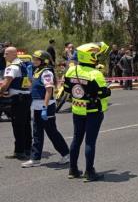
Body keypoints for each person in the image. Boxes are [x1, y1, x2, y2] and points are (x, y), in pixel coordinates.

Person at [64, 42, 111, 181]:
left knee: (76, 139)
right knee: (90, 142)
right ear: (89, 56)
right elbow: (103, 93)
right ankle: (89, 172)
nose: (96, 56)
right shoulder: (96, 74)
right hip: (93, 111)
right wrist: (107, 89)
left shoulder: (71, 70)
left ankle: (72, 170)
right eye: (95, 54)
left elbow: (67, 89)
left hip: (77, 110)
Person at [21, 51, 70, 168]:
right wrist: (29, 76)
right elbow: (34, 86)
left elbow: (49, 90)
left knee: (52, 132)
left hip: (45, 106)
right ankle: (35, 159)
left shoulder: (47, 72)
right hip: (37, 105)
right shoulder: (37, 71)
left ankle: (66, 154)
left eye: (37, 59)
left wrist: (45, 107)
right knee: (37, 133)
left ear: (44, 61)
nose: (34, 61)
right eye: (34, 59)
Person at [0, 46, 32, 159]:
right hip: (26, 97)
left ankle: (19, 151)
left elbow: (5, 83)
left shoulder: (12, 67)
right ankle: (28, 148)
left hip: (18, 99)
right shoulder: (23, 64)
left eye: (6, 54)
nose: (4, 56)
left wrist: (1, 92)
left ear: (13, 54)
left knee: (18, 125)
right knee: (26, 124)